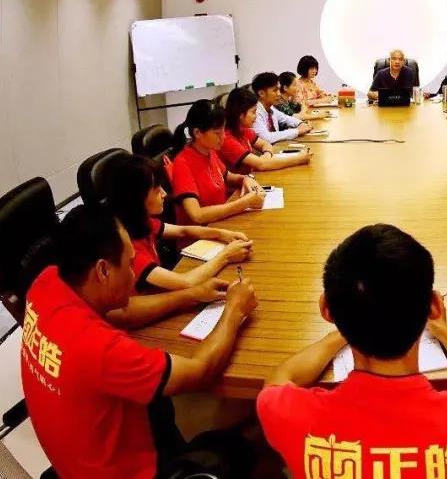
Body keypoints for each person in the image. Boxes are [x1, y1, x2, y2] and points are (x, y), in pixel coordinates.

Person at [256, 224, 447, 479]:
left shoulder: (286, 415)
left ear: (327, 310)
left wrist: (350, 322)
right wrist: (443, 330)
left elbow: (280, 379)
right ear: (434, 305)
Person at [22, 204, 259, 479]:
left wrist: (192, 295)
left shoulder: (47, 282)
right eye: (129, 264)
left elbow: (122, 311)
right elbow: (200, 372)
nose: (134, 274)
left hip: (75, 458)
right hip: (124, 472)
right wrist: (234, 310)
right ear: (103, 271)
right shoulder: (100, 348)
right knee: (239, 451)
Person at [108, 155, 254, 293]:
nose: (164, 194)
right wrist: (226, 255)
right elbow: (186, 282)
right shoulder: (129, 250)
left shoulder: (141, 222)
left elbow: (183, 231)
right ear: (137, 200)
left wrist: (222, 234)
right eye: (157, 191)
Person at [169, 99, 265, 225]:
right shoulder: (183, 163)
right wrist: (244, 203)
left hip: (221, 222)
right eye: (217, 133)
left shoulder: (210, 151)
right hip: (203, 233)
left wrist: (245, 179)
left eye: (223, 131)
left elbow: (227, 176)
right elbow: (197, 215)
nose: (223, 137)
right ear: (197, 133)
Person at [222, 86, 311, 172]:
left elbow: (265, 144)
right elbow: (262, 165)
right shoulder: (227, 139)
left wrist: (267, 155)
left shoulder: (244, 130)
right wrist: (299, 159)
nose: (256, 116)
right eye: (253, 112)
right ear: (240, 115)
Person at [252, 72, 313, 144]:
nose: (279, 94)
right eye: (275, 90)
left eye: (278, 89)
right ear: (261, 93)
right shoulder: (254, 112)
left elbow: (286, 118)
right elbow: (267, 138)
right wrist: (297, 131)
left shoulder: (271, 108)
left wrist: (300, 123)